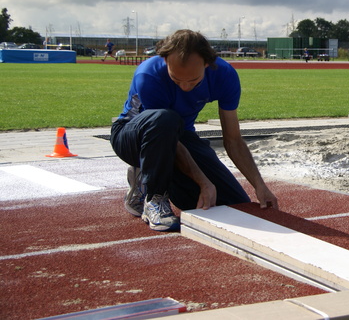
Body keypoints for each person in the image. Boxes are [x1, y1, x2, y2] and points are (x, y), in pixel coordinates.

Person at [110, 29, 278, 231]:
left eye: (193, 81)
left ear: (207, 63)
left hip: (180, 136)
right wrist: (202, 181)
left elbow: (233, 139)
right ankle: (154, 198)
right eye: (176, 80)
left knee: (232, 204)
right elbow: (164, 133)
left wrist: (259, 185)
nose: (185, 87)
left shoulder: (225, 76)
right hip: (133, 138)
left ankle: (147, 175)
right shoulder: (149, 74)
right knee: (165, 119)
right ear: (164, 61)